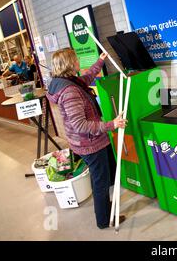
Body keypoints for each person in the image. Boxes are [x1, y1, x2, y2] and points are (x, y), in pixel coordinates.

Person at [47, 48, 127, 229]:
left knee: (105, 176)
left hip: (93, 141)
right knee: (100, 183)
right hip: (90, 144)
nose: (78, 62)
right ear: (69, 63)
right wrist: (111, 125)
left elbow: (87, 78)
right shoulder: (69, 92)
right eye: (75, 59)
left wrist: (100, 61)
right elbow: (80, 125)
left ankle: (108, 207)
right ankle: (104, 220)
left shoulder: (68, 82)